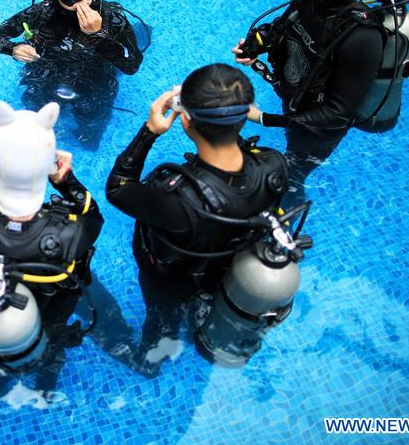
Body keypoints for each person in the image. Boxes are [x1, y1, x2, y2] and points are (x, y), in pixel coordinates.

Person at [105, 64, 288, 376]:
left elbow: (118, 189)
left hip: (171, 282)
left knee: (161, 318)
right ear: (245, 115)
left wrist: (149, 131)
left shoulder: (176, 200)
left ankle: (151, 361)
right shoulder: (273, 166)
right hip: (226, 272)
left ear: (184, 121)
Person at [0, 101, 104, 400]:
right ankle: (46, 389)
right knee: (53, 347)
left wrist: (10, 161)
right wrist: (66, 181)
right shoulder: (67, 233)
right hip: (54, 310)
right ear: (45, 168)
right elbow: (94, 216)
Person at [233, 0, 384, 206]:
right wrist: (257, 43)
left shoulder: (361, 38)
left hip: (316, 131)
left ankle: (282, 234)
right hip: (294, 96)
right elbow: (283, 25)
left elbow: (337, 113)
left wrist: (266, 119)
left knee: (289, 180)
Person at [0, 0, 145, 150]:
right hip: (46, 74)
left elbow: (131, 65)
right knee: (35, 130)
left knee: (89, 139)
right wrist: (12, 49)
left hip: (95, 79)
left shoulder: (111, 18)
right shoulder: (40, 13)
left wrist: (99, 34)